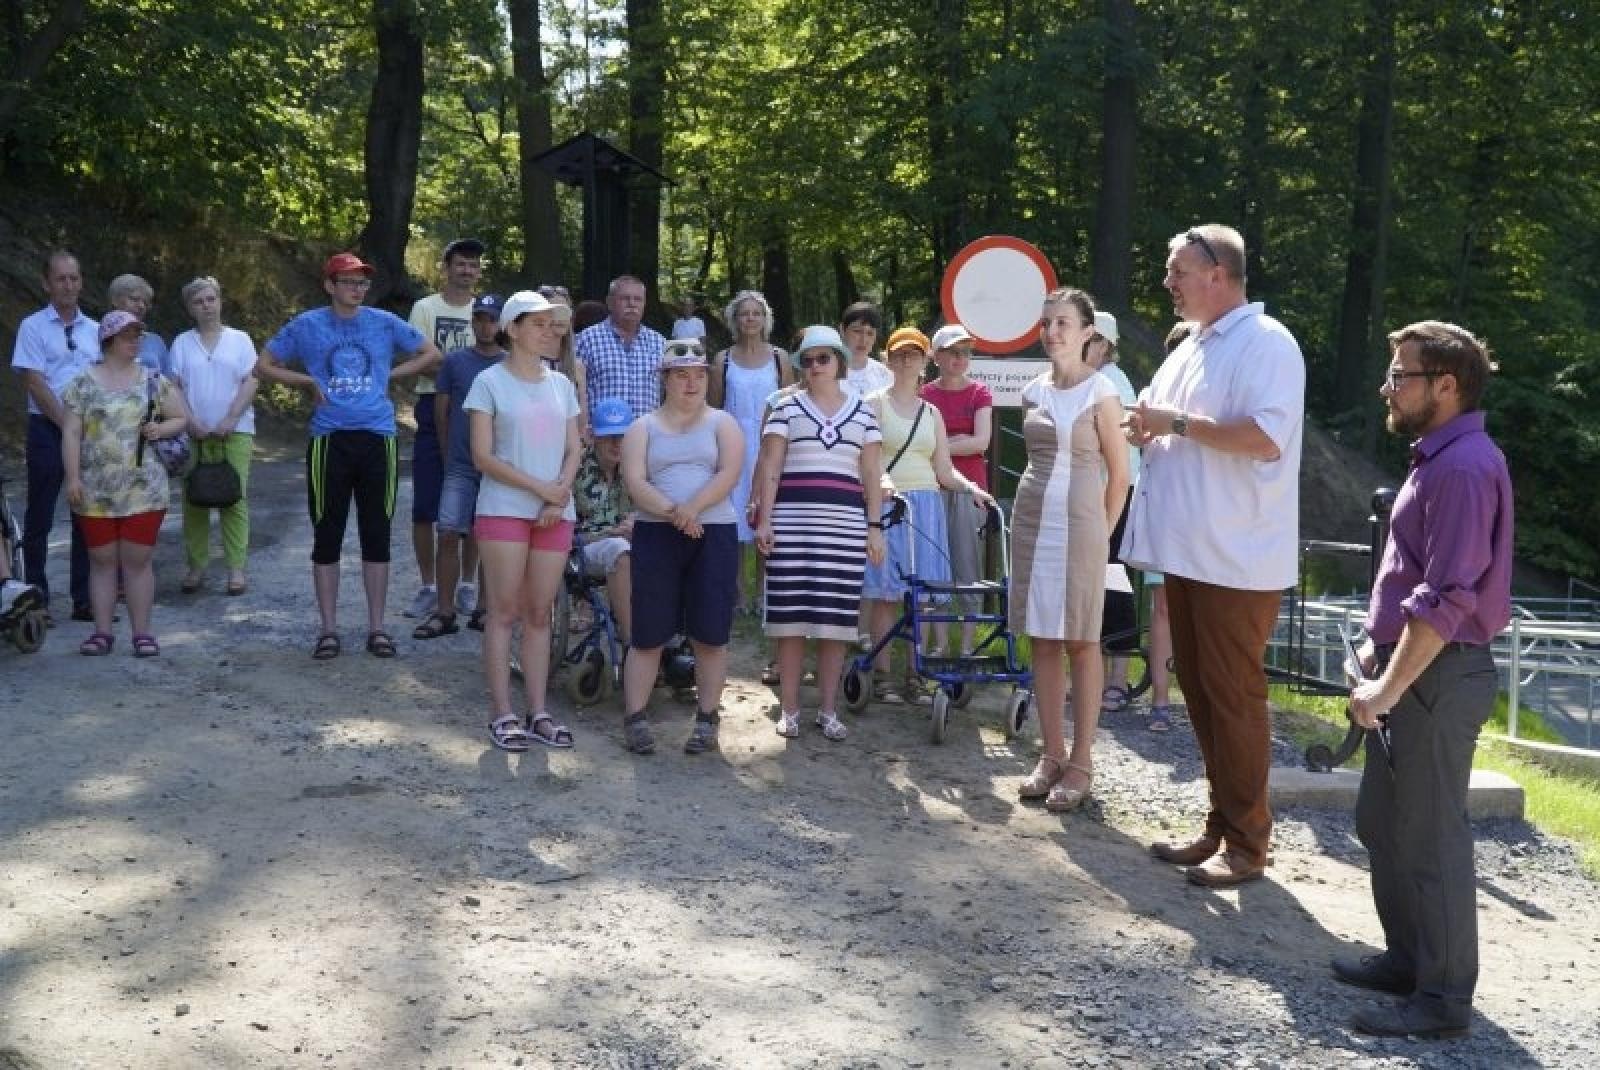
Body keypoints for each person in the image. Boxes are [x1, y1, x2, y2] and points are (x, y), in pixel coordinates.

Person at [1336, 321, 1512, 1040]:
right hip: (1413, 670)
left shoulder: (1464, 466)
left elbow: (1449, 600)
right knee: (1382, 822)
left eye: (1400, 375)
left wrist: (1385, 688)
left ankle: (1442, 1000)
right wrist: (1379, 661)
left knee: (1433, 836)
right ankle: (1409, 960)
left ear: (1446, 384)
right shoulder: (1437, 457)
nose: (1387, 386)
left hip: (1440, 677)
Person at [1121, 224, 1305, 887]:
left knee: (1232, 698)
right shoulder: (1194, 347)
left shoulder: (1266, 343)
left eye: (1177, 271)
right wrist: (1150, 428)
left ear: (1219, 274)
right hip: (1190, 551)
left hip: (1236, 557)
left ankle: (1250, 845)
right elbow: (1179, 429)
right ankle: (1221, 826)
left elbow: (1263, 437)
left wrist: (1170, 425)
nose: (1168, 282)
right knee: (1202, 695)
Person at [256, 251, 441, 660]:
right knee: (328, 534)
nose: (358, 289)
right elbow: (263, 365)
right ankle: (328, 629)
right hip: (329, 440)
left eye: (362, 282)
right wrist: (304, 379)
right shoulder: (307, 325)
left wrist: (391, 376)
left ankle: (377, 628)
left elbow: (431, 355)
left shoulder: (383, 323)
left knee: (377, 534)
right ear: (330, 285)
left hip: (378, 437)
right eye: (349, 281)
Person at [1010, 289, 1129, 813]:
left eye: (1063, 323)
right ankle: (1051, 752)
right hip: (1033, 521)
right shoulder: (1033, 389)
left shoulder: (1101, 391)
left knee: (1082, 638)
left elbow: (1119, 476)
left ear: (1087, 333)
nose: (1053, 332)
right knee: (1042, 635)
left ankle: (1082, 760)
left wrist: (1102, 533)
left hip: (1082, 525)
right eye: (1047, 323)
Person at [753, 325, 886, 742]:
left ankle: (828, 711)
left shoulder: (865, 413)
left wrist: (875, 527)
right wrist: (765, 519)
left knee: (836, 625)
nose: (814, 367)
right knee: (790, 623)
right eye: (806, 361)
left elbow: (871, 475)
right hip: (792, 525)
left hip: (844, 530)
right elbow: (770, 469)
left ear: (839, 361)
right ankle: (790, 710)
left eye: (823, 359)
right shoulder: (784, 410)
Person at [464, 291, 581, 751]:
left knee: (540, 613)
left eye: (553, 325)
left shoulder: (562, 385)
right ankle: (502, 712)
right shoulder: (489, 383)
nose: (550, 332)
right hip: (505, 509)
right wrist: (542, 490)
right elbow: (482, 456)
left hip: (555, 511)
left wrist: (560, 492)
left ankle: (538, 711)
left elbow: (574, 447)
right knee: (504, 612)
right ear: (512, 329)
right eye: (539, 324)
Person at [618, 341, 743, 755]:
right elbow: (635, 481)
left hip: (714, 532)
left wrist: (694, 509)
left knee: (710, 632)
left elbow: (729, 473)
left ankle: (707, 718)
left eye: (699, 373)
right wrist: (675, 513)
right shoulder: (643, 427)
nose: (692, 382)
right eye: (681, 374)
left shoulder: (722, 423)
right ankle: (635, 717)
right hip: (658, 532)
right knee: (649, 632)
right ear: (665, 379)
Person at [864, 327, 993, 705]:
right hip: (890, 504)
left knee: (924, 595)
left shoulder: (931, 412)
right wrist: (884, 484)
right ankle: (885, 674)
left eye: (913, 354)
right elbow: (867, 459)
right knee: (887, 594)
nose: (906, 361)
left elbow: (945, 469)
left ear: (924, 361)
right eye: (900, 355)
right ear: (889, 360)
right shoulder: (874, 404)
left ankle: (916, 673)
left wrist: (972, 489)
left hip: (928, 505)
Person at [61, 311, 191, 657]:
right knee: (101, 560)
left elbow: (181, 418)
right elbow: (71, 432)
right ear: (108, 341)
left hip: (144, 488)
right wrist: (72, 477)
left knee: (138, 560)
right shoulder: (81, 383)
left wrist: (160, 430)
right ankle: (102, 633)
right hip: (94, 488)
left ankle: (142, 634)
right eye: (128, 335)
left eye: (138, 334)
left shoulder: (154, 380)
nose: (136, 340)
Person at [413, 293, 504, 639]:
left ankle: (483, 608)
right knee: (449, 531)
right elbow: (441, 411)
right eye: (480, 318)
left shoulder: (510, 363)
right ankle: (444, 610)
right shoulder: (454, 362)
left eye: (492, 319)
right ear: (473, 322)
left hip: (497, 467)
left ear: (502, 323)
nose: (485, 325)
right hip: (461, 465)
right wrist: (448, 452)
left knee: (490, 536)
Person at [12, 250, 96, 622]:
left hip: (89, 431)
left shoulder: (96, 330)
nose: (68, 285)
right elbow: (34, 381)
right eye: (61, 279)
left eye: (74, 278)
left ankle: (84, 597)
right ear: (47, 283)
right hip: (48, 429)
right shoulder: (32, 327)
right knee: (40, 516)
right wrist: (68, 425)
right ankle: (37, 596)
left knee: (85, 515)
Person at [404, 237, 484, 620]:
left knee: (474, 508)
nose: (467, 271)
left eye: (473, 265)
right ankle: (428, 586)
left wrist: (453, 374)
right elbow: (418, 359)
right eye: (461, 264)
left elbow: (492, 362)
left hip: (477, 411)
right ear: (446, 267)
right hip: (429, 406)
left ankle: (467, 584)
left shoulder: (485, 312)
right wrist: (457, 374)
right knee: (425, 506)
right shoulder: (425, 308)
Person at [168, 276, 258, 595]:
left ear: (220, 301)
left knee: (234, 499)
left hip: (235, 432)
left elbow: (251, 380)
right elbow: (174, 387)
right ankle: (196, 567)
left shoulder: (240, 340)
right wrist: (189, 421)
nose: (206, 306)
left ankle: (236, 570)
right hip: (192, 434)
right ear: (190, 308)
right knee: (194, 500)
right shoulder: (181, 343)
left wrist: (231, 417)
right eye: (198, 302)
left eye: (210, 299)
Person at [708, 289, 793, 614]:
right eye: (744, 313)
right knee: (733, 516)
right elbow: (714, 407)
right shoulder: (723, 360)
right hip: (734, 444)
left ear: (765, 319)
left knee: (765, 512)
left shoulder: (779, 358)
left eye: (756, 313)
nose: (750, 319)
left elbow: (789, 404)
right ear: (734, 319)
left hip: (771, 443)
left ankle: (763, 590)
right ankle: (738, 592)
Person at [920, 322, 994, 656]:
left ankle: (966, 646)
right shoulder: (924, 394)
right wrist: (959, 442)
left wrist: (943, 444)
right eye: (952, 352)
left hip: (971, 489)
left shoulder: (980, 392)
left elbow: (982, 440)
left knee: (967, 564)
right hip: (930, 486)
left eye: (965, 352)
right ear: (936, 356)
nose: (959, 358)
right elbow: (925, 444)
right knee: (933, 563)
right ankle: (937, 644)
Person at [573, 397, 636, 647]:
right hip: (583, 549)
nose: (616, 444)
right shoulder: (575, 467)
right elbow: (564, 531)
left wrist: (637, 521)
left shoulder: (635, 468)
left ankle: (669, 635)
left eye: (622, 436)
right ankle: (633, 642)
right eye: (609, 436)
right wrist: (610, 535)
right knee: (618, 550)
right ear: (594, 436)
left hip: (631, 541)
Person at [575, 274, 667, 425]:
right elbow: (574, 393)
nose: (632, 304)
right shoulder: (586, 340)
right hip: (601, 439)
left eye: (638, 299)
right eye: (625, 298)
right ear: (609, 302)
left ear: (644, 304)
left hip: (647, 439)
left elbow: (666, 394)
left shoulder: (659, 343)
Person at [538, 284, 590, 434]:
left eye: (565, 311)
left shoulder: (577, 366)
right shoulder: (527, 362)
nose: (560, 318)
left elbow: (582, 421)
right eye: (553, 311)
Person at [107, 274, 172, 376]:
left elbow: (170, 383)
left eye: (145, 303)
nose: (142, 306)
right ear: (115, 300)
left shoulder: (155, 341)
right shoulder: (99, 336)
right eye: (134, 299)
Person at [839, 301, 892, 397]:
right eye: (857, 331)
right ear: (842, 330)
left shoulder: (885, 375)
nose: (864, 339)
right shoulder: (827, 372)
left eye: (870, 333)